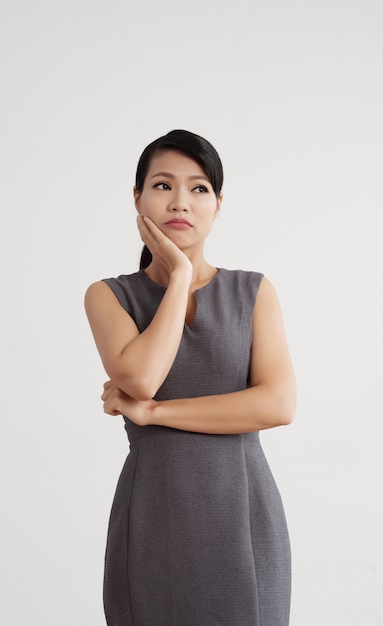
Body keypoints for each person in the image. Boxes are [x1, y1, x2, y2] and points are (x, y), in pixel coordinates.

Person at [84, 129, 296, 626]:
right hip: (153, 514)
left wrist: (156, 414)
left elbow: (278, 404)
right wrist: (179, 275)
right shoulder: (109, 295)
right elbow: (140, 378)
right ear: (137, 198)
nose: (180, 201)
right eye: (162, 186)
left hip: (245, 515)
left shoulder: (254, 292)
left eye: (199, 188)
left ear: (217, 205)